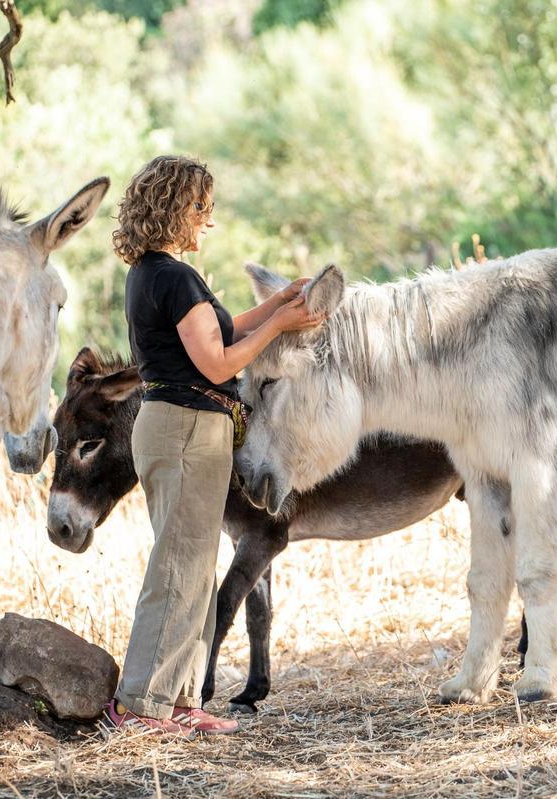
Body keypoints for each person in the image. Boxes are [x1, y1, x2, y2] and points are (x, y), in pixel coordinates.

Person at [104, 155, 325, 736]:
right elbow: (219, 360)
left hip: (183, 427)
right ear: (177, 211)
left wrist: (277, 305)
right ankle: (140, 707)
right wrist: (278, 329)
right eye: (202, 209)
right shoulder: (172, 278)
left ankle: (178, 702)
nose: (209, 221)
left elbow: (222, 332)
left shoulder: (157, 275)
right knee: (179, 566)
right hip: (183, 429)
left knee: (196, 568)